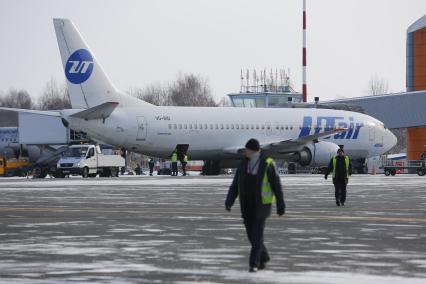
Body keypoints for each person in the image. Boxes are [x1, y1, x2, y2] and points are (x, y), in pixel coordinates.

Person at [225, 138, 285, 272]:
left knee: (257, 235)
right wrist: (229, 201)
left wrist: (281, 204)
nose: (245, 151)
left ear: (253, 150)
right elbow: (235, 185)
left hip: (261, 205)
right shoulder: (243, 164)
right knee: (251, 235)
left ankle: (254, 263)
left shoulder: (267, 164)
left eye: (247, 149)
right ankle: (264, 257)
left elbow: (276, 185)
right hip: (246, 205)